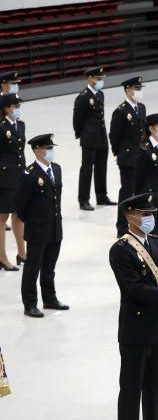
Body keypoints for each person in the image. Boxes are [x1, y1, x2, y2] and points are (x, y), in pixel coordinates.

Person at [109, 193, 158, 420]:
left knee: (155, 389)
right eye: (145, 214)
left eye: (151, 214)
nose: (150, 218)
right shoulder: (121, 250)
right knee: (131, 391)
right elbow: (134, 289)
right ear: (130, 216)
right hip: (136, 330)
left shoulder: (157, 243)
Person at [15, 134, 68, 317]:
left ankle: (50, 298)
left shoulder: (57, 169)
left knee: (49, 266)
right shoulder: (29, 174)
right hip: (37, 229)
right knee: (32, 268)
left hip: (54, 226)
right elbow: (20, 206)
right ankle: (30, 303)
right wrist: (34, 222)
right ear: (37, 151)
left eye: (52, 148)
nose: (51, 152)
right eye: (48, 148)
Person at [73, 66, 115, 211]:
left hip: (101, 136)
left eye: (101, 79)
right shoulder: (83, 97)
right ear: (89, 78)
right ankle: (83, 199)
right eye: (97, 79)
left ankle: (101, 195)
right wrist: (81, 135)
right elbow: (77, 119)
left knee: (101, 167)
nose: (100, 81)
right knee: (86, 169)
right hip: (89, 137)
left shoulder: (100, 94)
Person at [109, 77, 147, 237]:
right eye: (136, 89)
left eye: (140, 89)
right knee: (126, 192)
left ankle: (138, 222)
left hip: (140, 157)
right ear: (127, 90)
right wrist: (121, 153)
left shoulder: (142, 108)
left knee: (140, 191)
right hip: (128, 158)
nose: (139, 92)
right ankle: (122, 226)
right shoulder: (121, 111)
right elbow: (114, 136)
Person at [133, 113, 158, 256]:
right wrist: (139, 201)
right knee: (152, 236)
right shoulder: (144, 150)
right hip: (151, 199)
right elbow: (138, 178)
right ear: (151, 128)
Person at [0, 94, 25, 271]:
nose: (18, 109)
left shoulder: (21, 125)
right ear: (7, 108)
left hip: (19, 176)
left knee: (19, 215)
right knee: (2, 218)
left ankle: (22, 253)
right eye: (15, 106)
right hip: (5, 178)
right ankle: (2, 257)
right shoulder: (1, 127)